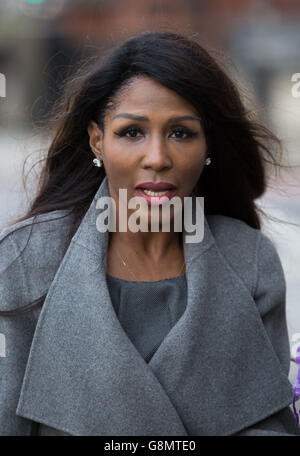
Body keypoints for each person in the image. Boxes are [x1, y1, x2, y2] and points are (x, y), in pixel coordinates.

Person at [0, 31, 299, 436]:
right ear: (97, 141)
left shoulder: (250, 261)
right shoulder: (26, 260)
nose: (157, 158)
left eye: (181, 133)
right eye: (131, 132)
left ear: (207, 145)